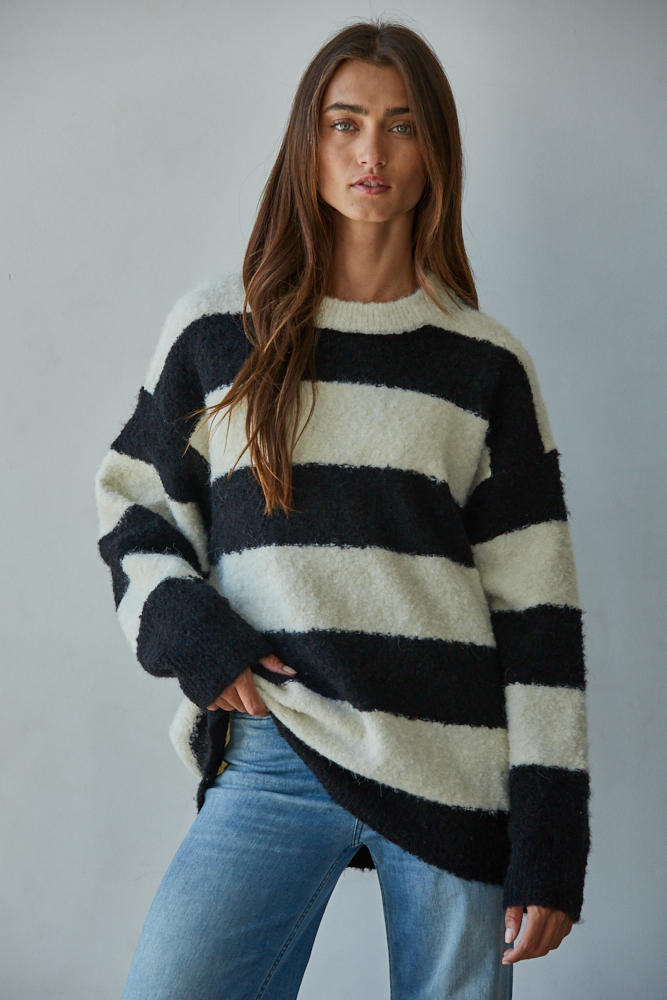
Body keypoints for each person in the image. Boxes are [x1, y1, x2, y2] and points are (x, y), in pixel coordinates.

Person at [94, 18, 591, 1000]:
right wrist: (197, 638)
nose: (373, 152)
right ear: (307, 142)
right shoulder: (217, 332)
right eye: (345, 123)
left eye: (402, 126)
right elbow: (132, 510)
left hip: (452, 766)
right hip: (278, 748)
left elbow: (538, 618)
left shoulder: (485, 365)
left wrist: (548, 839)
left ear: (434, 150)